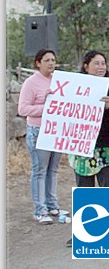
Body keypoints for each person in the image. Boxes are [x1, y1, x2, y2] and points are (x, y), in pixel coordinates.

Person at [18, 49, 67, 224]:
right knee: (39, 170)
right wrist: (45, 107)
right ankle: (40, 210)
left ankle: (52, 205)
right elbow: (23, 109)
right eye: (47, 60)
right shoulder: (31, 83)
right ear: (38, 63)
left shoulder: (58, 81)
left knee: (52, 170)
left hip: (56, 130)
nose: (51, 63)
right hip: (38, 131)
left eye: (53, 60)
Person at [68, 51, 109, 187]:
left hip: (108, 147)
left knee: (108, 187)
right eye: (97, 63)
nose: (101, 67)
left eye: (103, 63)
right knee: (84, 189)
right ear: (86, 66)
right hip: (82, 146)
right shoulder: (73, 86)